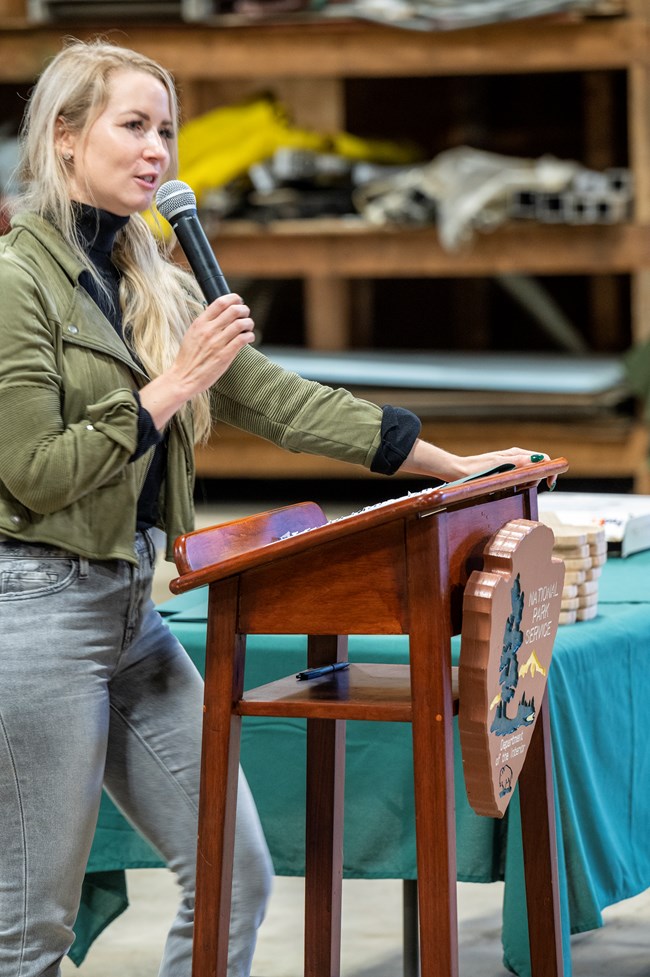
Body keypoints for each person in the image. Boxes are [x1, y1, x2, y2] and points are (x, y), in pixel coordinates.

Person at [0, 38, 554, 977]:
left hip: (131, 606)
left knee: (236, 878)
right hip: (38, 610)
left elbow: (288, 404)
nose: (158, 151)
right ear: (62, 135)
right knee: (30, 931)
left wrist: (452, 467)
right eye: (133, 126)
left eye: (166, 129)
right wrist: (173, 385)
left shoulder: (150, 280)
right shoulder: (16, 280)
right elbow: (36, 472)